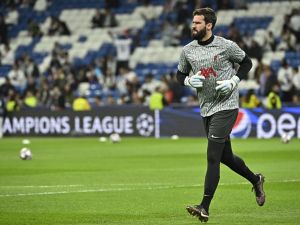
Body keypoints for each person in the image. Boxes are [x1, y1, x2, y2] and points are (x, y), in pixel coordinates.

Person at [176, 8, 265, 222]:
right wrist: (187, 81)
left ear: (209, 25)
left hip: (226, 106)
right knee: (226, 157)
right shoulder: (188, 50)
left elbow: (247, 62)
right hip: (206, 107)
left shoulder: (226, 46)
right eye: (193, 22)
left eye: (198, 23)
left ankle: (204, 206)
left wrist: (234, 81)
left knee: (212, 156)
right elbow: (180, 74)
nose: (193, 26)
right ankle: (256, 180)